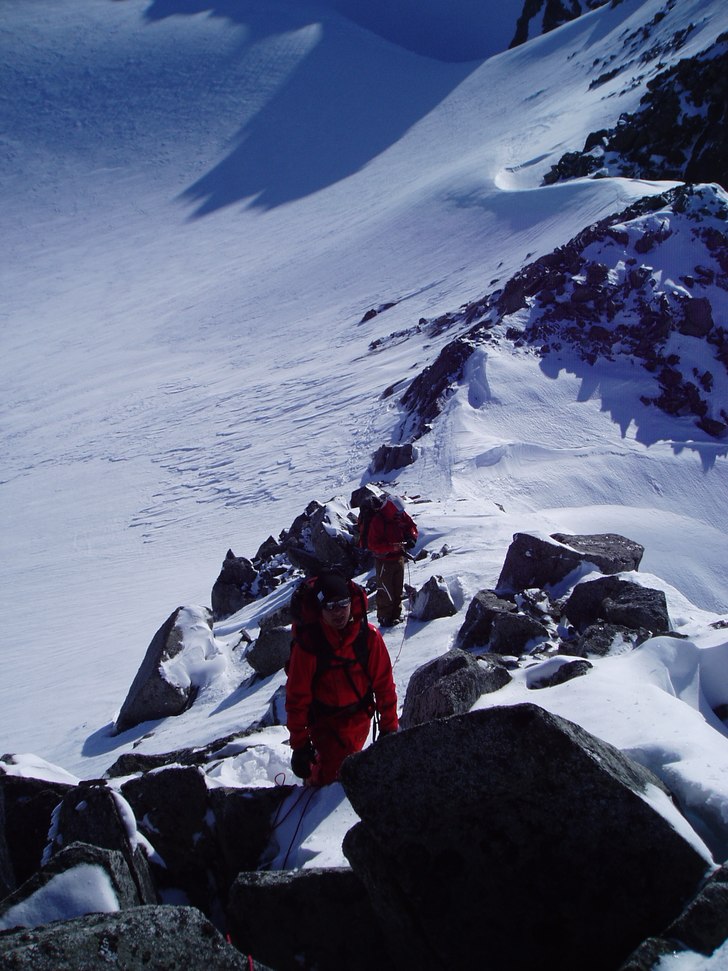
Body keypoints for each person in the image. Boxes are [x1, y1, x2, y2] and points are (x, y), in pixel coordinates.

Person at [285, 572, 399, 786]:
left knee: (344, 774)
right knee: (334, 782)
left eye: (343, 603)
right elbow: (296, 699)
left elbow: (384, 686)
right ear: (320, 610)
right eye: (330, 606)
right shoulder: (309, 646)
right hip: (325, 725)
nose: (338, 612)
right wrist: (299, 746)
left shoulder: (369, 637)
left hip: (360, 719)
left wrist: (389, 728)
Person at [364, 495, 418, 627]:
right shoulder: (378, 521)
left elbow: (411, 525)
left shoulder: (398, 515)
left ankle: (395, 615)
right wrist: (391, 547)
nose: (400, 514)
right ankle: (384, 617)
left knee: (397, 589)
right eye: (398, 512)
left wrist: (412, 537)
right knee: (386, 590)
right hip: (384, 560)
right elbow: (372, 545)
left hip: (398, 557)